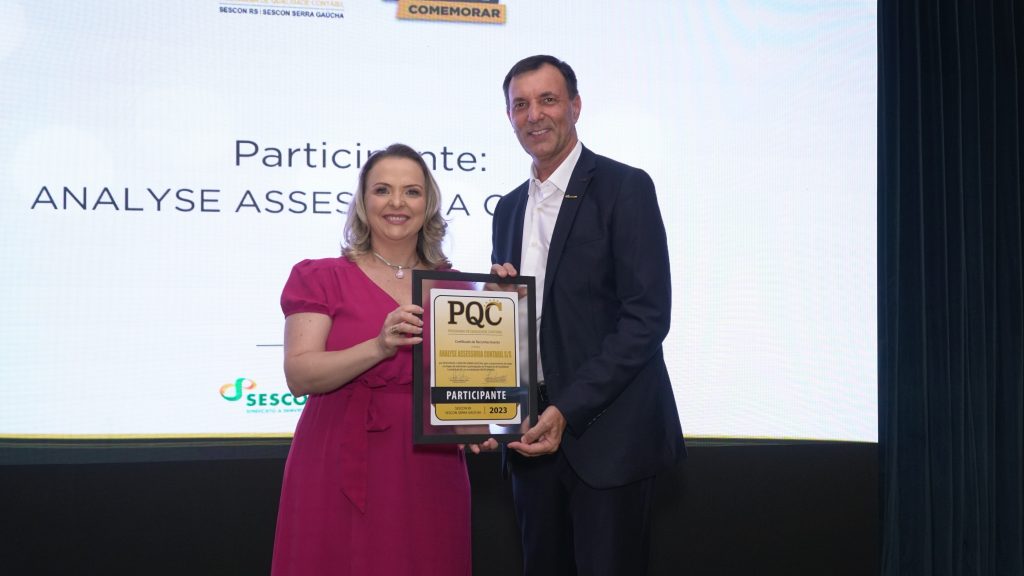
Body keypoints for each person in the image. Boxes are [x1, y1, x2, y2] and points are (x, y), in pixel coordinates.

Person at [483, 55, 686, 576]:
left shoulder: (624, 187)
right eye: (520, 105)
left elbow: (646, 317)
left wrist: (567, 409)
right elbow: (520, 328)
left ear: (575, 106)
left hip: (609, 441)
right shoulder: (508, 209)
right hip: (530, 438)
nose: (534, 115)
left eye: (547, 100)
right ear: (509, 117)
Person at [271, 143, 470, 576]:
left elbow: (470, 388)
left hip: (430, 466)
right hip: (337, 457)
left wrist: (483, 424)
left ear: (428, 204)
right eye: (382, 190)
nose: (397, 203)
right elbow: (299, 374)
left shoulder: (457, 287)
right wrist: (378, 346)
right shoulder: (319, 276)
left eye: (411, 192)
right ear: (363, 202)